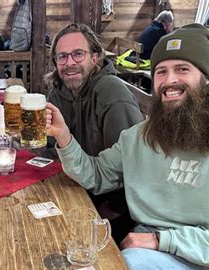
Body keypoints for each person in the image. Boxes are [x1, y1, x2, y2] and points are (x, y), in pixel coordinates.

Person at [46, 24, 209, 270]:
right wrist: (64, 138)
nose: (169, 80)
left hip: (207, 260)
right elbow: (96, 174)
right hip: (143, 243)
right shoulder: (140, 137)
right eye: (161, 72)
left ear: (205, 77)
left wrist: (161, 240)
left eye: (183, 69)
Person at [46, 23, 144, 231]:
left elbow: (135, 164)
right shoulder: (58, 92)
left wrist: (112, 210)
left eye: (78, 54)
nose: (69, 62)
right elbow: (50, 145)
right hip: (73, 189)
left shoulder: (111, 93)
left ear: (95, 58)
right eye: (62, 56)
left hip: (111, 210)